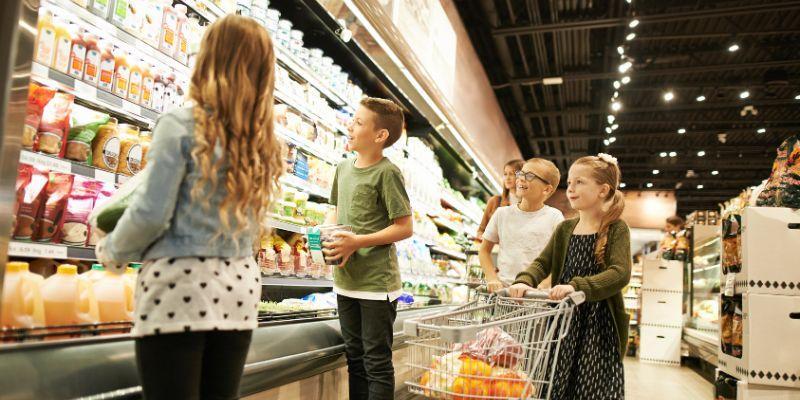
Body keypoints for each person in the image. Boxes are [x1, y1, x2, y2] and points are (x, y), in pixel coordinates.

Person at [96, 15, 283, 399]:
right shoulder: (262, 141)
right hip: (239, 291)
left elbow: (151, 213)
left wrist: (111, 252)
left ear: (208, 60)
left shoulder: (181, 124)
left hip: (179, 288)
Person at [508, 153, 631, 400]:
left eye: (580, 182)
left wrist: (577, 286)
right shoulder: (565, 228)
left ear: (603, 190)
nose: (570, 188)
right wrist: (524, 280)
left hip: (599, 325)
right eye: (570, 182)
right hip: (562, 322)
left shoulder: (616, 228)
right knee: (556, 382)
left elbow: (620, 273)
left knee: (591, 388)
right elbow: (543, 263)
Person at [323, 97, 413, 400]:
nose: (351, 125)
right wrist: (328, 235)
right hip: (346, 281)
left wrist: (357, 242)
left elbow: (405, 227)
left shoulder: (387, 173)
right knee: (355, 360)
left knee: (376, 363)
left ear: (380, 135)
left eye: (359, 122)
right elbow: (334, 208)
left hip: (376, 284)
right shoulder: (342, 168)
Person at [479, 158, 564, 292]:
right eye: (520, 173)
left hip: (537, 296)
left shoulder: (555, 217)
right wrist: (492, 278)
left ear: (547, 189)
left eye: (529, 176)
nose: (521, 179)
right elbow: (484, 250)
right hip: (505, 292)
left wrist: (545, 284)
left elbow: (561, 259)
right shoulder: (502, 214)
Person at [477, 159, 525, 238]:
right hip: (493, 249)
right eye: (505, 174)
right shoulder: (495, 201)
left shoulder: (529, 206)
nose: (507, 178)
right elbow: (481, 231)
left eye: (511, 174)